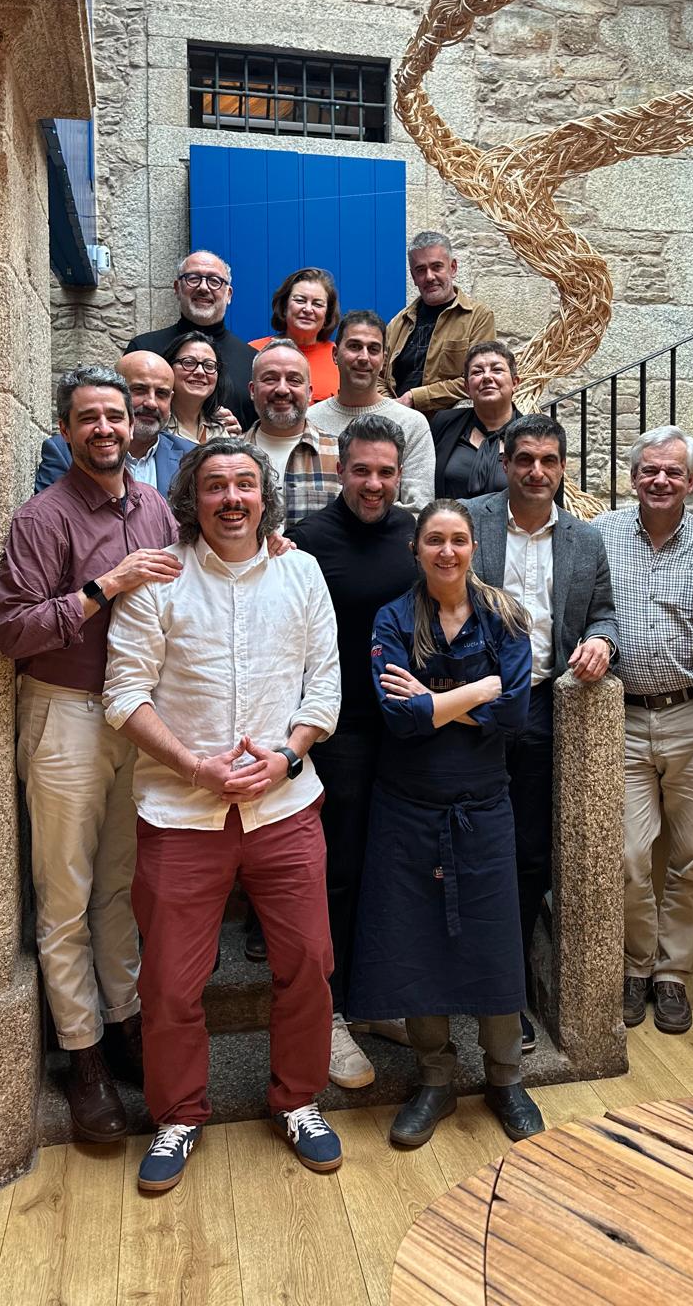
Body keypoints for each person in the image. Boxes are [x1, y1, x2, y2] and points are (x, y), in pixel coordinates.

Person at [102, 437, 343, 1192]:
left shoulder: (301, 571)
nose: (232, 498)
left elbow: (324, 686)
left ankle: (298, 1100)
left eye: (245, 484)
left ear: (265, 498)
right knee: (170, 984)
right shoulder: (158, 581)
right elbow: (123, 696)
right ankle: (178, 1115)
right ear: (192, 500)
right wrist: (194, 767)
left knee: (308, 964)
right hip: (181, 813)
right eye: (215, 486)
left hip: (284, 807)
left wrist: (288, 756)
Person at [0, 367, 181, 1142]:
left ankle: (125, 1021)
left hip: (136, 715)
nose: (105, 428)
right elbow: (13, 630)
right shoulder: (42, 518)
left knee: (118, 888)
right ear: (65, 430)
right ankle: (83, 1055)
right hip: (67, 712)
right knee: (65, 895)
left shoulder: (156, 506)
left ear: (134, 425)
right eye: (89, 418)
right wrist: (105, 586)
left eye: (116, 416)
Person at [348, 499, 545, 1147]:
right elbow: (399, 719)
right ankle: (435, 1079)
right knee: (414, 946)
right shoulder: (393, 619)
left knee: (494, 944)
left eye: (458, 539)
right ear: (417, 549)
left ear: (473, 547)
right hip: (407, 808)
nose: (447, 551)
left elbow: (516, 717)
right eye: (434, 540)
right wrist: (479, 691)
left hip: (483, 808)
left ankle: (506, 1079)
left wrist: (434, 701)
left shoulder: (504, 617)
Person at [464, 415, 618, 1049]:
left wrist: (603, 640)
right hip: (469, 711)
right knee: (465, 846)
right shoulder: (469, 520)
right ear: (504, 463)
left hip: (541, 711)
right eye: (524, 459)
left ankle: (511, 987)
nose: (536, 471)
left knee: (529, 854)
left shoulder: (585, 539)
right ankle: (459, 979)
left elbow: (603, 612)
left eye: (548, 460)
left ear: (562, 467)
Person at [293, 414, 418, 1089]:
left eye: (385, 472)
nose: (374, 483)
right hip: (336, 734)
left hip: (406, 733)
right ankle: (333, 1013)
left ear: (400, 476)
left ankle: (375, 999)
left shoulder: (414, 535)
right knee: (337, 873)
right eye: (362, 470)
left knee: (392, 868)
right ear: (339, 471)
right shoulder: (307, 541)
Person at [595, 426, 693, 1035]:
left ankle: (672, 973)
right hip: (621, 715)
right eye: (650, 469)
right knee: (628, 854)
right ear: (632, 477)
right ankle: (636, 965)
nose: (660, 480)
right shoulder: (601, 536)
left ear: (691, 481)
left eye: (673, 471)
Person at [310, 310, 436, 512]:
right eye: (354, 346)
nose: (364, 357)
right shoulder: (310, 421)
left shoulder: (412, 424)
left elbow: (418, 509)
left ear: (384, 360)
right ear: (335, 354)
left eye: (373, 349)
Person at [34, 350, 195, 496]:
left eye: (161, 393)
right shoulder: (63, 452)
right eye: (139, 390)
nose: (151, 403)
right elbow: (51, 512)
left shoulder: (191, 457)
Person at [125, 249, 256, 428]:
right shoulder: (143, 350)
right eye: (193, 278)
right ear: (177, 288)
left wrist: (242, 436)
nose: (203, 287)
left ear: (229, 294)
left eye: (214, 281)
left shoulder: (252, 360)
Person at [383, 232, 496, 416]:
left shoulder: (478, 317)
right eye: (421, 270)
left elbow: (479, 378)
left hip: (449, 426)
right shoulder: (398, 323)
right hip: (397, 423)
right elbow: (378, 376)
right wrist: (390, 408)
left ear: (453, 268)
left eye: (437, 267)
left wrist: (414, 398)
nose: (429, 277)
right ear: (413, 276)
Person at [242, 339, 341, 531]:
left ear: (309, 392)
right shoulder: (227, 458)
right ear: (253, 391)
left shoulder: (340, 455)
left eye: (294, 380)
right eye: (270, 379)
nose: (282, 389)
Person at [431, 340, 521, 499]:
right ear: (467, 388)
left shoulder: (534, 433)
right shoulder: (444, 423)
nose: (487, 377)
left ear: (515, 383)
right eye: (477, 372)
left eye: (497, 370)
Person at [250, 267, 340, 404]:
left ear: (327, 315)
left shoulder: (339, 357)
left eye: (317, 304)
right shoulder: (253, 352)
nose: (308, 309)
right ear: (284, 307)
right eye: (300, 300)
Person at [164, 331, 233, 445]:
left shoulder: (220, 427)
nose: (200, 372)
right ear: (168, 367)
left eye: (209, 365)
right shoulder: (156, 423)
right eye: (189, 362)